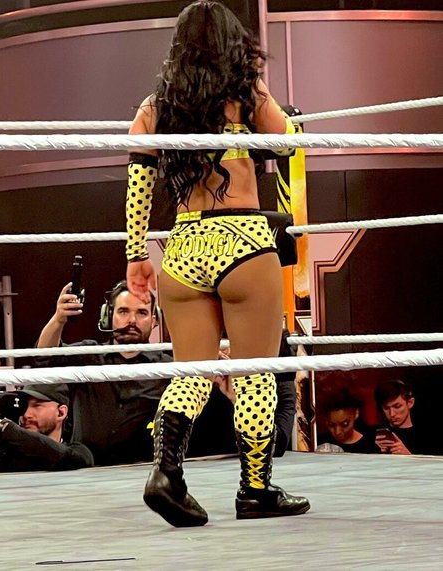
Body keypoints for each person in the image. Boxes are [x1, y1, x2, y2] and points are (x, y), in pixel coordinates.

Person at [125, 1, 310, 526]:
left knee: (193, 371)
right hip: (243, 240)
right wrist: (260, 103)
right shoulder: (246, 94)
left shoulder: (154, 107)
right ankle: (256, 490)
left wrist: (136, 254)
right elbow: (288, 144)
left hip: (184, 246)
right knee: (254, 372)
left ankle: (166, 474)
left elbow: (138, 186)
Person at [36, 280, 172, 466]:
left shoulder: (167, 368)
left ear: (154, 320)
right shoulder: (88, 355)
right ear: (108, 315)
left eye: (141, 312)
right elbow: (44, 358)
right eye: (123, 311)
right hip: (84, 469)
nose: (132, 320)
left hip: (143, 469)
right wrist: (59, 318)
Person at [0, 383, 94, 472]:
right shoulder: (9, 457)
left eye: (37, 406)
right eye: (24, 406)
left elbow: (65, 458)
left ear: (61, 413)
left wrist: (3, 427)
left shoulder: (78, 451)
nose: (26, 415)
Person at [374, 380, 430, 455]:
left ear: (410, 403)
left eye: (397, 406)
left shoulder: (428, 436)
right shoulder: (375, 435)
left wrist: (408, 456)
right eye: (386, 408)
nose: (392, 414)